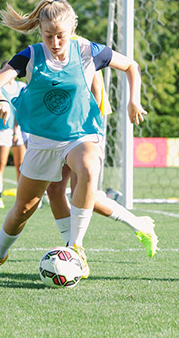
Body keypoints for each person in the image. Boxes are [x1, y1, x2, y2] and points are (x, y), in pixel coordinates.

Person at [0, 0, 146, 278]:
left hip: (81, 134)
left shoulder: (88, 51)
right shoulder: (30, 55)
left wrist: (134, 100)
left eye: (61, 36)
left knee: (89, 166)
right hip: (43, 139)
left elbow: (131, 66)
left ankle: (76, 247)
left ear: (72, 29)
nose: (55, 43)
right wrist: (1, 102)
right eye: (48, 36)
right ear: (40, 31)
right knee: (23, 209)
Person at [46, 48, 158, 257]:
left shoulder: (82, 49)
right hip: (59, 130)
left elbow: (97, 89)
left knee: (86, 193)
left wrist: (88, 127)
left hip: (83, 130)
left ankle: (138, 225)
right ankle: (73, 251)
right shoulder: (46, 51)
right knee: (54, 190)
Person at [0, 61, 27, 209]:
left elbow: (20, 109)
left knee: (21, 166)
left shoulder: (20, 87)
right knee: (1, 164)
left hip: (16, 131)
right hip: (3, 130)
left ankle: (22, 196)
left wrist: (17, 129)